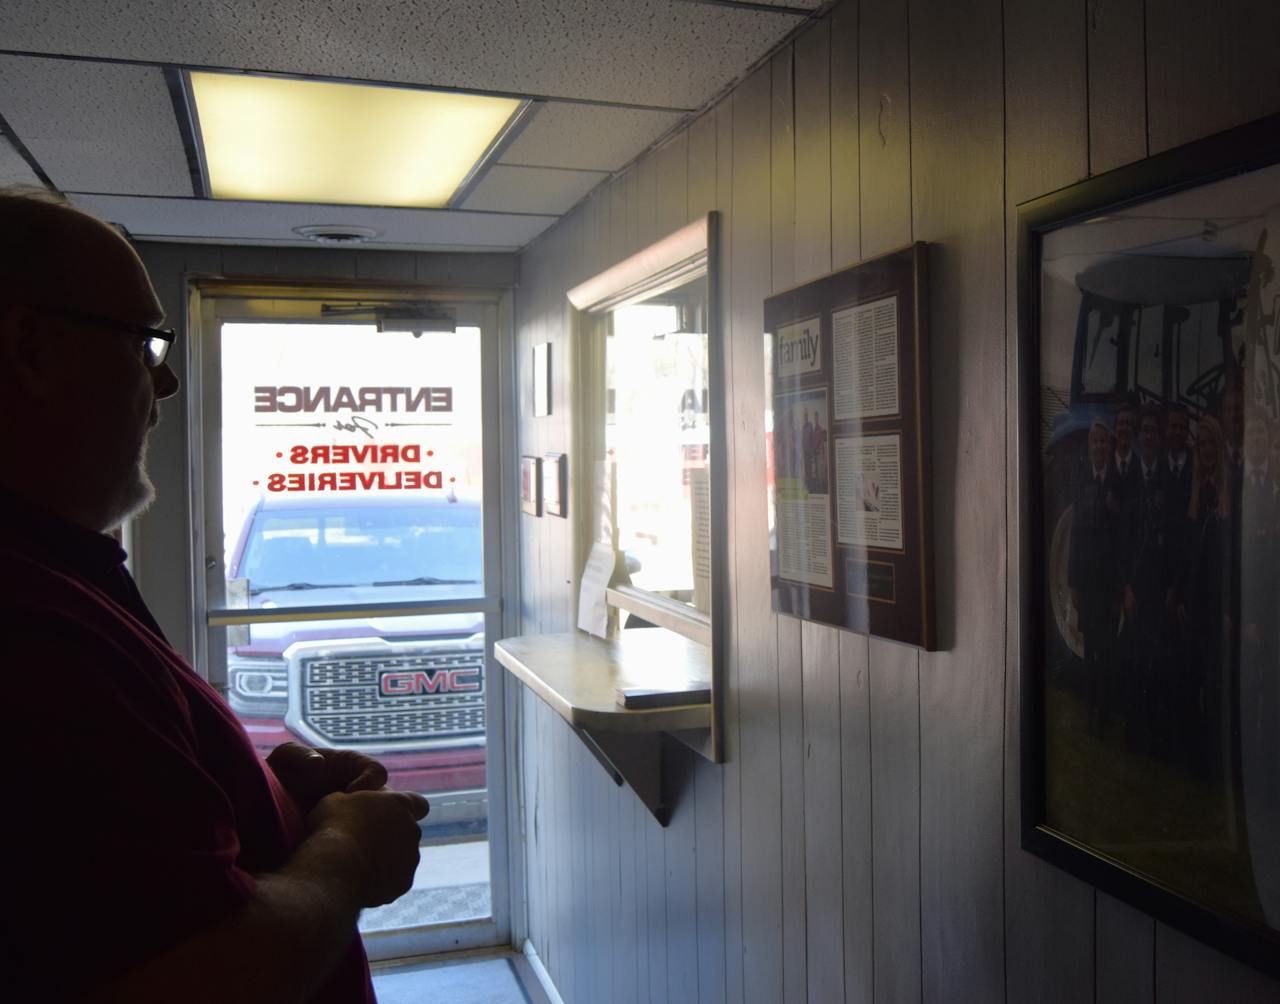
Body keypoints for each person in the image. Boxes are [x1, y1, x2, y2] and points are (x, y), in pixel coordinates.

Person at [0, 189, 428, 1002]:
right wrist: (345, 851)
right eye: (141, 342)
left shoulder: (61, 567)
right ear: (31, 346)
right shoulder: (30, 628)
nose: (163, 385)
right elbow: (194, 977)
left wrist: (270, 797)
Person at [1069, 418, 1124, 738]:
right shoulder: (1082, 483)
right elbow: (1075, 535)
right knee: (1089, 647)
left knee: (1107, 648)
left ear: (1109, 447)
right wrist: (1072, 582)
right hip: (1087, 584)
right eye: (1095, 443)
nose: (1100, 447)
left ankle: (1104, 711)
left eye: (1104, 442)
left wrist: (1118, 588)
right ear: (1089, 448)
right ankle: (1091, 710)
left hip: (1108, 584)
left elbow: (1120, 540)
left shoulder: (1117, 483)